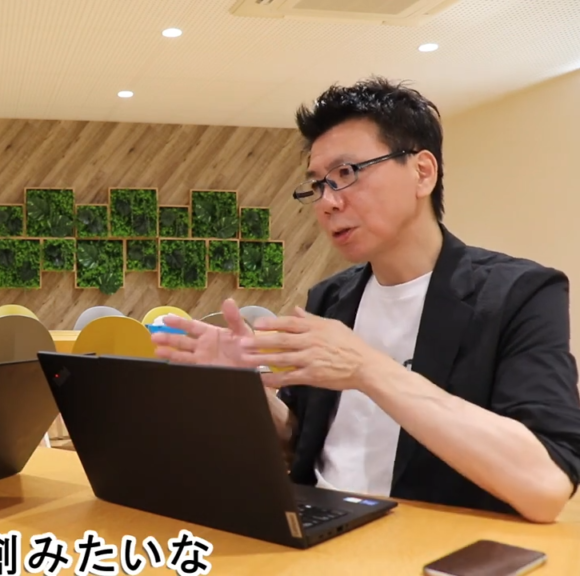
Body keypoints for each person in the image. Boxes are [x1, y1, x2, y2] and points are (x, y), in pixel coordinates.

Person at [152, 76, 580, 523]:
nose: (327, 203)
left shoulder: (520, 294)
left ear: (422, 172)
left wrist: (367, 369)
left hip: (426, 544)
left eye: (346, 173)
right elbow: (302, 447)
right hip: (317, 530)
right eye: (318, 185)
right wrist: (243, 391)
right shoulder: (331, 297)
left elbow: (547, 485)